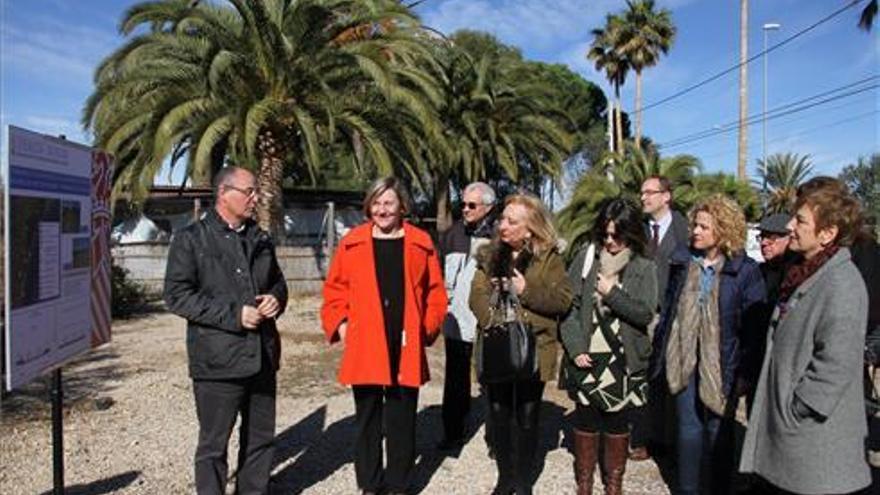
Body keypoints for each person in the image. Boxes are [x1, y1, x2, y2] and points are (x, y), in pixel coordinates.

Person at [740, 177, 871, 495]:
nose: (790, 226)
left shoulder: (842, 284)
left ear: (827, 233)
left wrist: (797, 407)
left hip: (812, 439)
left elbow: (836, 363)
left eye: (800, 220)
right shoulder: (804, 271)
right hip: (794, 437)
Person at [164, 166, 288, 495]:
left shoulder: (260, 238)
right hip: (218, 360)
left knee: (261, 438)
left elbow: (278, 282)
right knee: (213, 445)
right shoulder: (190, 239)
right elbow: (177, 296)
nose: (255, 198)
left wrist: (276, 299)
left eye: (255, 192)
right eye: (249, 192)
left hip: (262, 356)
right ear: (223, 193)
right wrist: (234, 316)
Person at [320, 177, 447, 495]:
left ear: (402, 205)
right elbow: (334, 290)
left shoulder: (420, 242)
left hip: (405, 340)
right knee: (367, 418)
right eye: (376, 203)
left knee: (402, 418)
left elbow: (436, 293)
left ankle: (399, 484)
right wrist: (342, 325)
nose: (382, 209)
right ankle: (370, 484)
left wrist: (426, 328)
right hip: (366, 342)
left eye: (388, 202)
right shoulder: (352, 243)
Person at [651, 194, 766, 495]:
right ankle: (687, 489)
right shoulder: (683, 260)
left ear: (724, 230)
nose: (696, 232)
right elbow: (670, 309)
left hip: (723, 363)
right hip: (684, 359)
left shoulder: (745, 270)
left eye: (704, 226)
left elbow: (753, 329)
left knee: (719, 431)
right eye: (695, 225)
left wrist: (745, 372)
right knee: (688, 430)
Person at [469, 193, 573, 495]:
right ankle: (505, 478)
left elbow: (563, 300)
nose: (503, 225)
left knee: (527, 417)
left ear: (530, 229)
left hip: (534, 349)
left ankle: (524, 481)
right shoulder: (489, 255)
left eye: (512, 221)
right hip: (497, 346)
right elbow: (475, 295)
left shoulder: (548, 258)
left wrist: (527, 290)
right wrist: (491, 319)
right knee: (499, 415)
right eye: (503, 218)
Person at [560, 198, 658, 495]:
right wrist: (576, 348)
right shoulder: (586, 260)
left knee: (617, 423)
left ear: (632, 233)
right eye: (605, 234)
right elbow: (569, 309)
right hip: (588, 356)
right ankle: (585, 482)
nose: (611, 241)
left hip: (624, 360)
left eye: (618, 234)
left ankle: (614, 482)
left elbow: (644, 312)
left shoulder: (644, 267)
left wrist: (612, 293)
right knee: (586, 420)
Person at [438, 182, 497, 451]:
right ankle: (453, 433)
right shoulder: (451, 235)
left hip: (488, 320)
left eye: (472, 205)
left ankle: (496, 440)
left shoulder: (500, 235)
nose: (465, 209)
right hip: (457, 319)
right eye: (462, 204)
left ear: (488, 207)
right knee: (455, 378)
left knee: (492, 378)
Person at [638, 175, 689, 460]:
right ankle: (654, 438)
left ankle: (676, 441)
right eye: (642, 193)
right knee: (650, 379)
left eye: (650, 192)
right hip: (645, 317)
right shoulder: (639, 232)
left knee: (674, 378)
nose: (644, 197)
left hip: (676, 317)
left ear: (666, 196)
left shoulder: (686, 230)